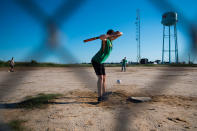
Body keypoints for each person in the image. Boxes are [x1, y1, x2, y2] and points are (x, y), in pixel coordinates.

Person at [91, 29, 123, 102]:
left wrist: (114, 34)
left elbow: (121, 33)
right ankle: (99, 97)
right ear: (110, 35)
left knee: (104, 78)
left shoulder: (111, 41)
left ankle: (104, 93)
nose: (115, 36)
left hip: (101, 61)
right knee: (101, 78)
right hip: (96, 60)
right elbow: (102, 37)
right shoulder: (106, 40)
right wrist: (109, 35)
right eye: (113, 35)